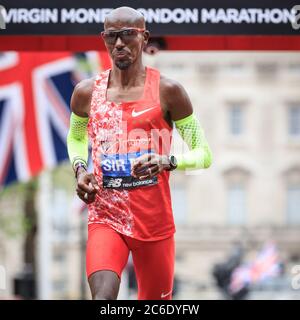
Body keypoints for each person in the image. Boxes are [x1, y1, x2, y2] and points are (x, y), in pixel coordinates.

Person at [67, 6, 212, 300]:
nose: (119, 43)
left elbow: (203, 154)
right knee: (103, 300)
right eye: (112, 36)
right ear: (104, 39)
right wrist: (80, 170)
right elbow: (76, 137)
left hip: (154, 225)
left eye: (128, 35)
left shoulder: (169, 91)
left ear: (144, 38)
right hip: (106, 216)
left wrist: (167, 161)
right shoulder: (86, 92)